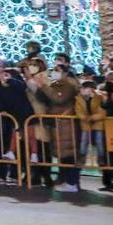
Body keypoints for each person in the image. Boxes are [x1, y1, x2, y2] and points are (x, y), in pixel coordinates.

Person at [38, 64, 83, 193]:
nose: (54, 72)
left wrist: (44, 87)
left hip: (66, 124)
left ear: (65, 73)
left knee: (69, 153)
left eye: (57, 70)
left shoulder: (68, 85)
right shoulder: (54, 84)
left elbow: (59, 99)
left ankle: (72, 182)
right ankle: (64, 180)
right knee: (61, 154)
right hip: (56, 123)